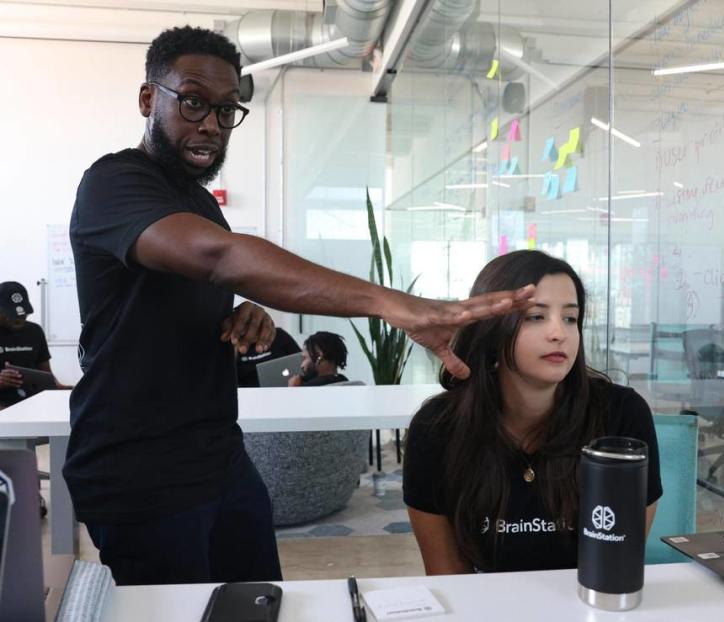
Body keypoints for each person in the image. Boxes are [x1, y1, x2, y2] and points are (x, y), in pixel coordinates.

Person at [67, 26, 533, 587]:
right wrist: (391, 304)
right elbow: (217, 257)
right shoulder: (113, 183)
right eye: (192, 102)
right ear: (149, 99)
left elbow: (199, 281)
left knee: (263, 600)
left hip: (218, 457)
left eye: (225, 110)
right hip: (139, 472)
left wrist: (247, 315)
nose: (211, 125)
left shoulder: (197, 203)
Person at [402, 250, 662, 574]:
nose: (559, 333)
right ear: (492, 330)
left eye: (570, 318)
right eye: (536, 316)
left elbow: (618, 564)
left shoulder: (621, 416)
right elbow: (448, 577)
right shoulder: (438, 429)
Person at [0, 281, 70, 410]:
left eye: (23, 314)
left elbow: (45, 374)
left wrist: (62, 389)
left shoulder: (35, 331)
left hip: (33, 406)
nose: (19, 319)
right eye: (12, 314)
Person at [236, 326, 300, 388]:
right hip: (249, 394)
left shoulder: (278, 335)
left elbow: (300, 360)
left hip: (286, 389)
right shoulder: (235, 347)